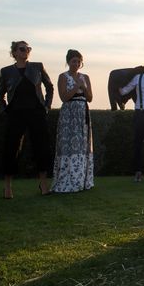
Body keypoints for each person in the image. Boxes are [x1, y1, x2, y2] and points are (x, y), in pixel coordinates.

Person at [0, 41, 54, 198]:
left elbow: (49, 86)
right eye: (22, 49)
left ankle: (43, 184)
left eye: (28, 49)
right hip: (16, 114)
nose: (26, 51)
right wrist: (5, 109)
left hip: (36, 113)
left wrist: (47, 106)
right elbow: (0, 94)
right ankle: (7, 186)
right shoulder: (6, 71)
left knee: (41, 147)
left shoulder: (37, 67)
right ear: (14, 52)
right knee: (11, 148)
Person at [51, 49, 94, 193]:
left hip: (82, 112)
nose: (76, 63)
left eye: (78, 61)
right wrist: (76, 86)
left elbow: (90, 98)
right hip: (69, 114)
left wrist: (83, 87)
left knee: (82, 145)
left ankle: (82, 181)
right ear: (68, 62)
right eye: (73, 61)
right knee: (68, 144)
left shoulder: (85, 77)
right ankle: (67, 180)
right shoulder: (63, 77)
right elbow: (64, 97)